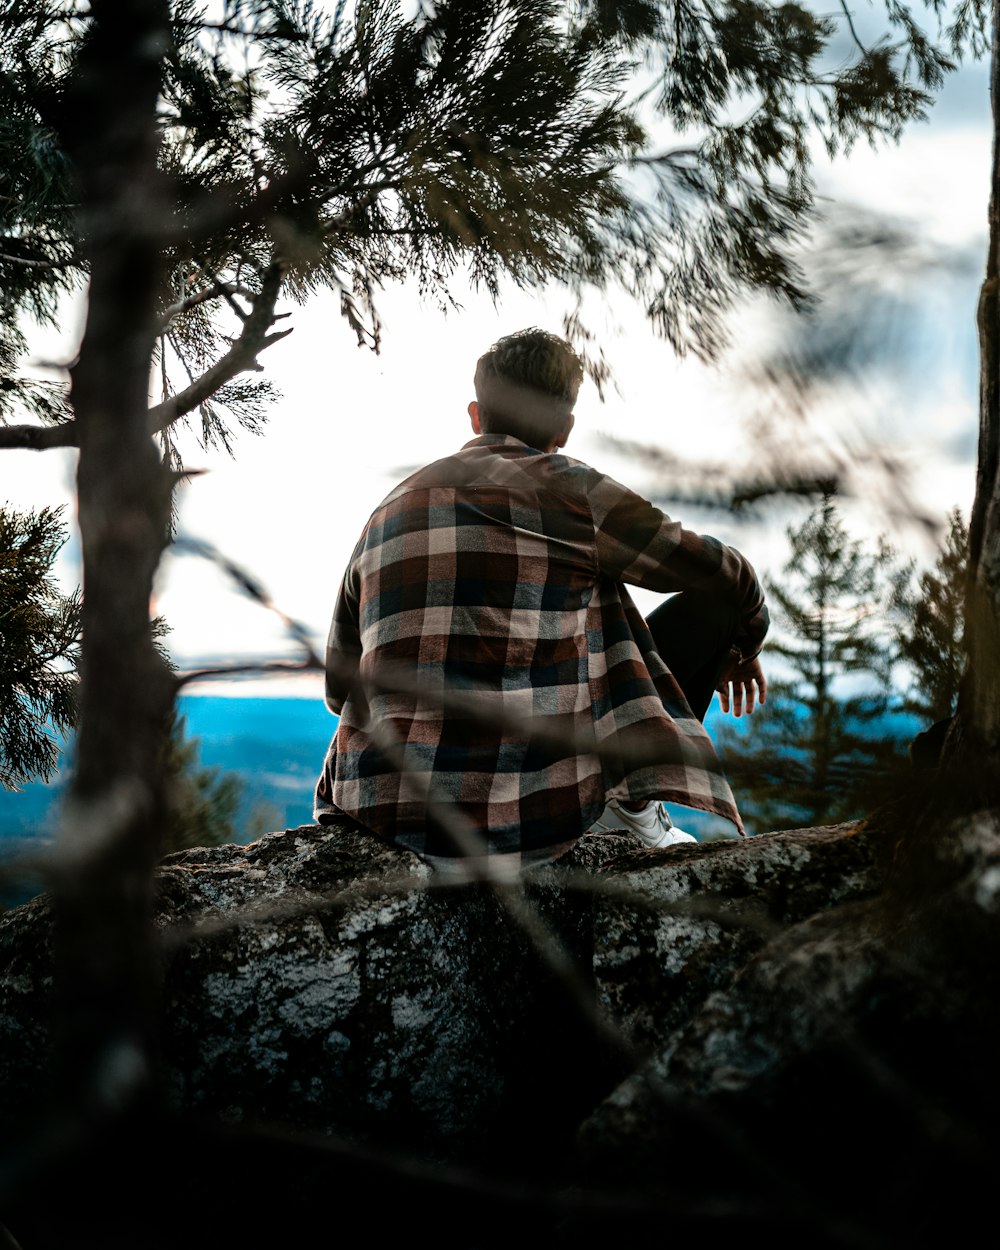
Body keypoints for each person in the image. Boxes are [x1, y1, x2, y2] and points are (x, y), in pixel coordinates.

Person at [314, 328, 767, 874]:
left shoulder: (388, 510)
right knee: (629, 583)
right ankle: (628, 805)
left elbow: (340, 691)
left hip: (381, 808)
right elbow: (722, 571)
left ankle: (622, 805)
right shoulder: (576, 494)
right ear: (565, 427)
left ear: (475, 415)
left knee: (585, 571)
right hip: (531, 816)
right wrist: (744, 641)